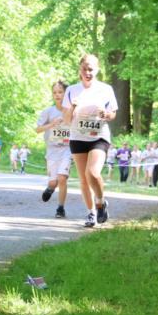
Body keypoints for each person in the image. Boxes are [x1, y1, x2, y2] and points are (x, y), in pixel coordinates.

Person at [63, 54, 118, 227]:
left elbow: (112, 114)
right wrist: (73, 106)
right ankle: (91, 213)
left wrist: (105, 114)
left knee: (93, 172)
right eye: (84, 68)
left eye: (91, 69)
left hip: (99, 136)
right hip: (78, 137)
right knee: (84, 179)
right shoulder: (72, 90)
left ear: (97, 70)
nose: (87, 72)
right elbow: (66, 119)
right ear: (80, 69)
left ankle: (101, 202)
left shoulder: (106, 89)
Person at [36, 80, 72, 218]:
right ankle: (51, 188)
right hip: (52, 150)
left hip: (67, 149)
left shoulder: (71, 112)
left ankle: (60, 208)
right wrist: (52, 124)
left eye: (60, 92)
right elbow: (38, 129)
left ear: (66, 93)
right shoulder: (48, 112)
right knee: (53, 182)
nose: (57, 95)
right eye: (55, 92)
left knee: (62, 178)